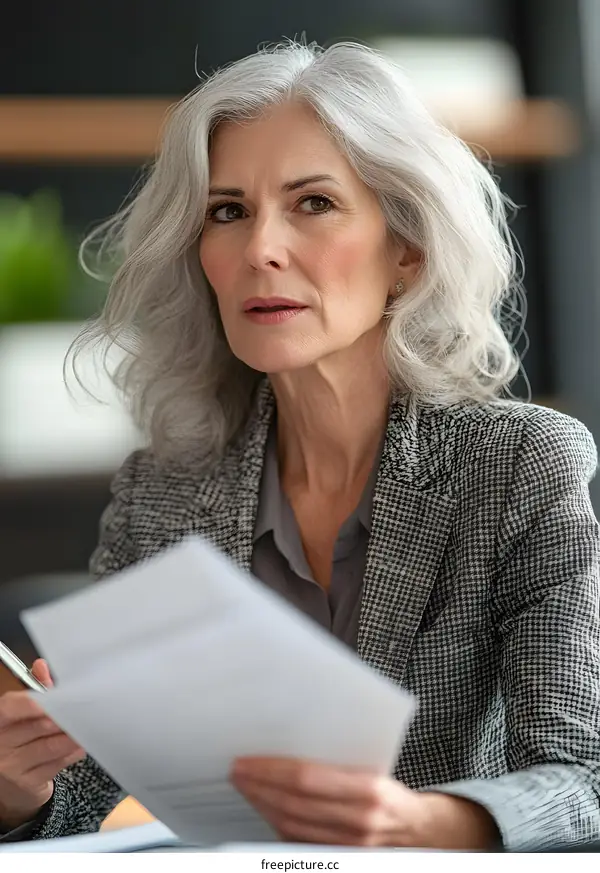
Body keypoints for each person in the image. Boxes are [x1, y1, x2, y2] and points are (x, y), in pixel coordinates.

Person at [0, 39, 599, 852]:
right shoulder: (162, 491)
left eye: (312, 203)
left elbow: (580, 778)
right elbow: (79, 804)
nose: (259, 250)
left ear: (406, 249)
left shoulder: (519, 464)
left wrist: (419, 822)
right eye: (228, 210)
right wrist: (19, 787)